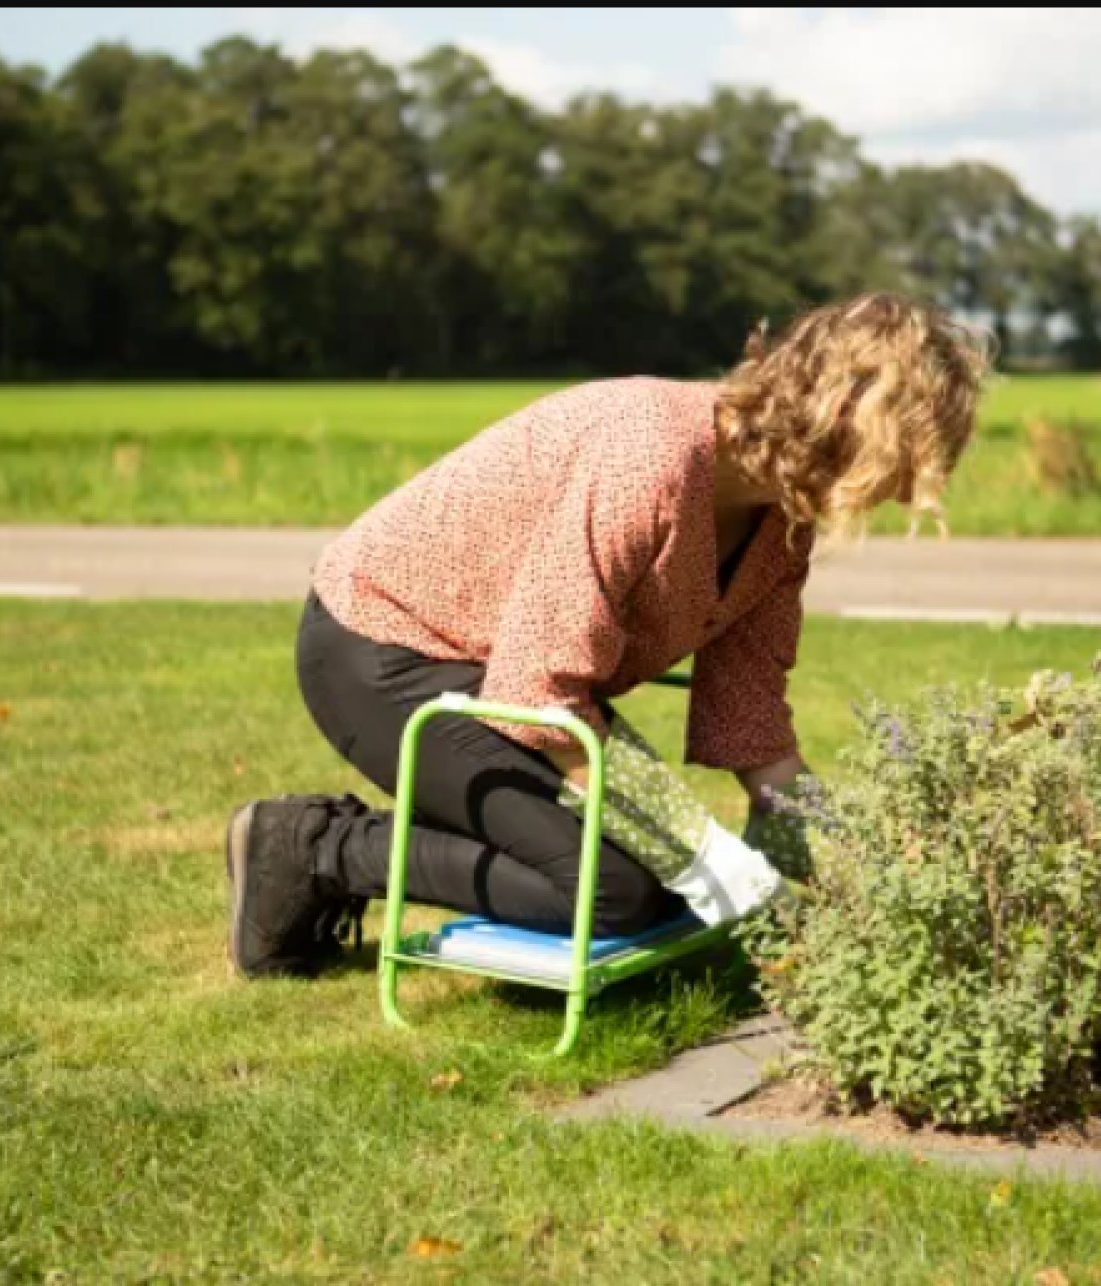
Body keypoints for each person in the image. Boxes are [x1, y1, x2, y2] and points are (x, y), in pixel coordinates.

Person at [226, 293, 991, 978]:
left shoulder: (783, 522)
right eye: (901, 461)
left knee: (653, 881)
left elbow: (750, 707)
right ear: (840, 420)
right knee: (615, 893)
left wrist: (839, 870)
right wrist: (692, 843)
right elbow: (537, 687)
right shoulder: (651, 457)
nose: (897, 491)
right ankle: (315, 848)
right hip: (384, 649)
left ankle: (456, 816)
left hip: (508, 673)